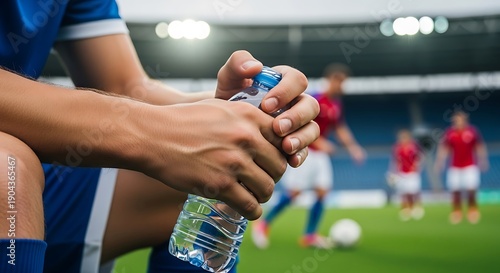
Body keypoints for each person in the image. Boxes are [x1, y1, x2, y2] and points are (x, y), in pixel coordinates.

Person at [0, 1, 321, 273]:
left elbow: (126, 87)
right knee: (8, 169)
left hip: (43, 185)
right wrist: (153, 133)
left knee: (213, 174)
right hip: (13, 176)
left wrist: (233, 114)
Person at [252, 63, 365, 249]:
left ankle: (309, 235)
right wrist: (320, 142)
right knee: (294, 193)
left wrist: (354, 148)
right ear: (331, 80)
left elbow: (340, 128)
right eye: (340, 82)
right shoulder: (315, 98)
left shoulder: (335, 105)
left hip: (321, 156)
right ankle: (264, 224)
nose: (342, 87)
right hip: (307, 151)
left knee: (322, 193)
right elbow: (301, 122)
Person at [434, 111, 489, 224]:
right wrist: (440, 161)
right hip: (454, 166)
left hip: (469, 165)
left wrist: (483, 160)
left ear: (464, 120)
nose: (457, 122)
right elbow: (444, 148)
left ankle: (472, 210)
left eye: (459, 120)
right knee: (455, 190)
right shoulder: (450, 133)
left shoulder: (472, 132)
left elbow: (479, 146)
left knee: (471, 189)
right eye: (455, 120)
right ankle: (456, 212)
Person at [387, 129, 424, 221]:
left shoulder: (414, 146)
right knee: (403, 192)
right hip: (402, 173)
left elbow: (420, 157)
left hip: (412, 173)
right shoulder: (397, 147)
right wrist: (392, 171)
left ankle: (416, 208)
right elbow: (394, 161)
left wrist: (418, 167)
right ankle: (405, 209)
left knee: (413, 192)